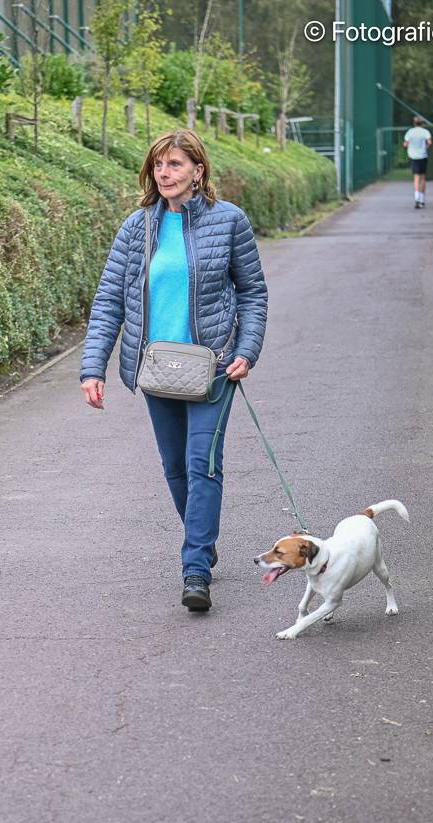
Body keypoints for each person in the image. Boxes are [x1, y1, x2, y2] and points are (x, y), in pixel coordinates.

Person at [80, 129, 268, 612]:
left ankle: (195, 569)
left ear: (197, 171)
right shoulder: (136, 227)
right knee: (174, 468)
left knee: (202, 464)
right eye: (159, 165)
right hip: (157, 368)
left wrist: (246, 349)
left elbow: (252, 293)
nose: (165, 173)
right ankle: (201, 540)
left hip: (213, 367)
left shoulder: (229, 222)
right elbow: (108, 302)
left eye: (176, 164)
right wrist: (91, 368)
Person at [402, 115, 433, 208]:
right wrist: (425, 147)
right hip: (423, 156)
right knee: (423, 178)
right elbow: (430, 142)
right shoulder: (425, 132)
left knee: (416, 177)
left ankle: (417, 198)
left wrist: (409, 146)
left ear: (414, 123)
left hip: (413, 156)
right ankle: (422, 200)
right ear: (422, 123)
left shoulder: (410, 132)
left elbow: (405, 144)